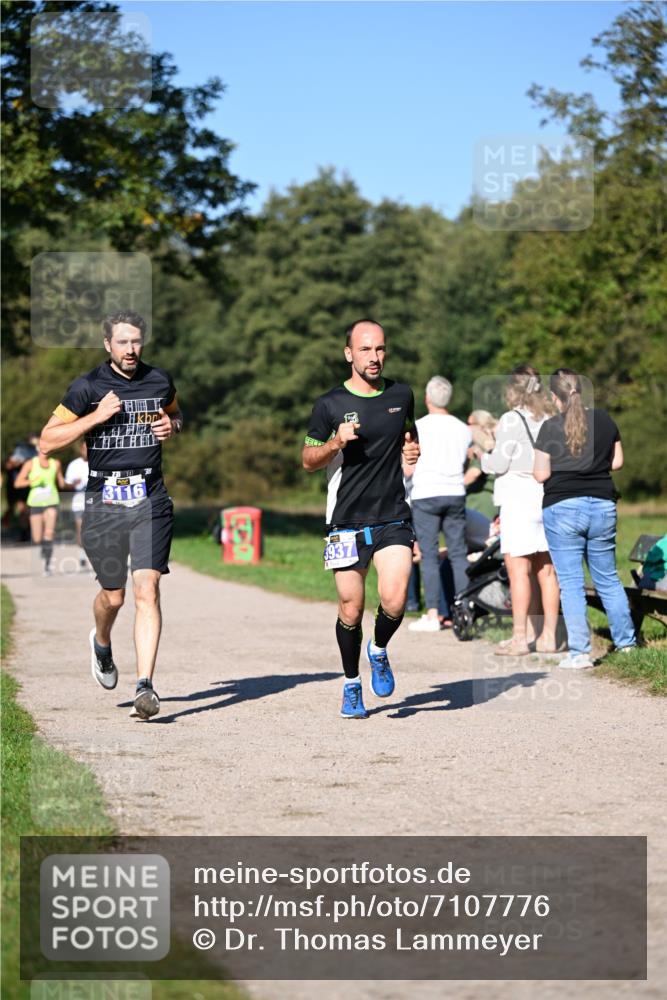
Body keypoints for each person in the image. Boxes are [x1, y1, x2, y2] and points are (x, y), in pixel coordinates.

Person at [39, 310, 183, 720]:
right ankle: (101, 641)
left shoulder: (160, 380)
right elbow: (48, 442)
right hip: (103, 500)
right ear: (108, 345)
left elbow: (176, 413)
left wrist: (172, 426)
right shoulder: (87, 387)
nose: (131, 349)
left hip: (151, 497)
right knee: (114, 596)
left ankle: (145, 687)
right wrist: (96, 417)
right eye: (123, 342)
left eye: (136, 341)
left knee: (147, 591)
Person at [302, 318, 420, 719]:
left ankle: (380, 649)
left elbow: (408, 434)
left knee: (396, 598)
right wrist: (336, 440)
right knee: (350, 609)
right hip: (345, 522)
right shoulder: (329, 404)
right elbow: (307, 460)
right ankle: (352, 684)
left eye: (381, 349)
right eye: (366, 350)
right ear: (349, 354)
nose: (375, 357)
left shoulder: (402, 394)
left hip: (392, 516)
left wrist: (411, 452)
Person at [534, 367, 636, 668]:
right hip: (602, 505)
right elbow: (617, 462)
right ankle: (627, 643)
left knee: (571, 583)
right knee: (607, 579)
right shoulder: (604, 420)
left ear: (554, 396)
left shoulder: (550, 427)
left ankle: (579, 653)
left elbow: (541, 474)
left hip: (562, 507)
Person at [482, 365, 560, 655]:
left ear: (512, 390)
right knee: (547, 570)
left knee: (518, 572)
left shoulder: (510, 419)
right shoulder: (550, 417)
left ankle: (519, 639)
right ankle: (548, 637)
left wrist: (482, 457)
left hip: (518, 499)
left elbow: (499, 464)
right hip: (546, 496)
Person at [406, 376, 471, 633]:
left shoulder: (419, 427)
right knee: (458, 555)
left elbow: (409, 468)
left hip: (426, 494)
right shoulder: (463, 428)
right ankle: (464, 610)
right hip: (455, 492)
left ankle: (432, 614)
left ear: (427, 398)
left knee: (430, 556)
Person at [14, 451, 65, 575]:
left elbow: (61, 483)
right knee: (37, 538)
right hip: (35, 503)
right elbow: (17, 483)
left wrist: (72, 483)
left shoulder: (56, 463)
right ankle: (43, 547)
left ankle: (47, 566)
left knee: (49, 533)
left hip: (51, 502)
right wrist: (31, 482)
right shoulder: (30, 463)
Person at [464, 409, 497, 521]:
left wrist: (452, 488)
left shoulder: (482, 445)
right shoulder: (495, 442)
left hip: (479, 502)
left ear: (480, 425)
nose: (467, 428)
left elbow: (474, 473)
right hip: (491, 500)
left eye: (470, 424)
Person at [65, 440, 90, 570]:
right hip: (79, 502)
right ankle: (81, 556)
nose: (86, 451)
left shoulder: (98, 462)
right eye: (84, 448)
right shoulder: (74, 465)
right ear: (81, 449)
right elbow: (66, 484)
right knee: (81, 530)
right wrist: (74, 483)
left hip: (96, 502)